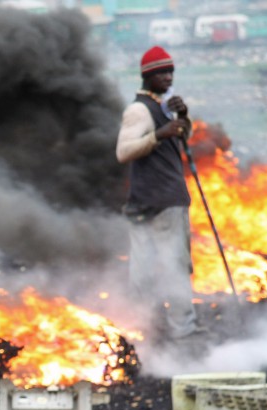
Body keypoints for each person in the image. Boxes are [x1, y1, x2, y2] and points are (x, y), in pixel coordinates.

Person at [115, 45, 200, 342]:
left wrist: (183, 116)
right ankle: (175, 330)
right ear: (147, 76)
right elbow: (123, 152)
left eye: (171, 72)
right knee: (167, 268)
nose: (168, 77)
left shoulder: (161, 106)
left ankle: (153, 330)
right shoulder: (139, 110)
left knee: (155, 269)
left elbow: (181, 138)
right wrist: (159, 135)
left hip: (157, 200)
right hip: (159, 202)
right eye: (162, 73)